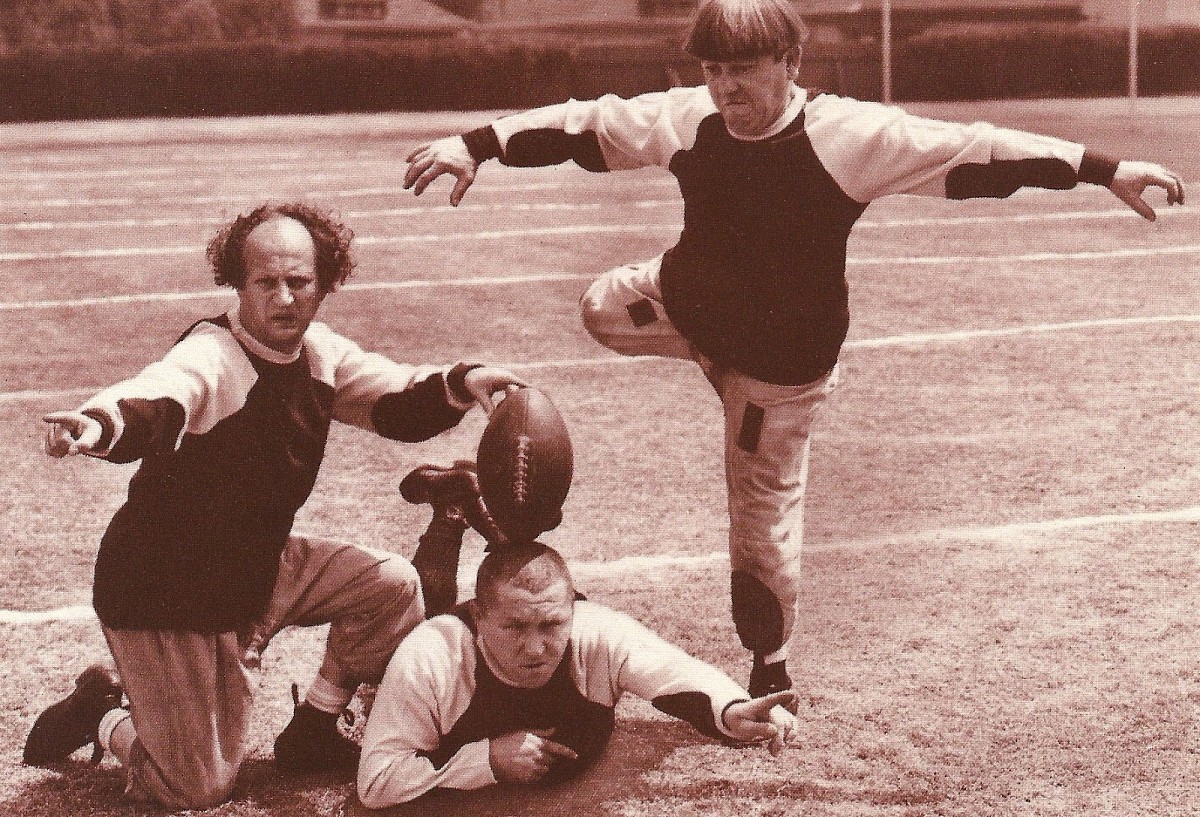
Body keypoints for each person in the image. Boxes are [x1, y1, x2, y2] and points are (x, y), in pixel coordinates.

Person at [400, 0, 1186, 702]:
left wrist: (1104, 169)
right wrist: (478, 143)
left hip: (776, 370)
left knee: (761, 528)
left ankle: (770, 663)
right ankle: (693, 344)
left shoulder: (850, 136)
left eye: (743, 69)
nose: (726, 88)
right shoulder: (691, 116)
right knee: (603, 305)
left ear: (789, 62)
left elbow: (977, 149)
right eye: (713, 70)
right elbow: (589, 124)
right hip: (688, 309)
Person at [22, 201, 528, 810]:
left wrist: (464, 380)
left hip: (255, 567)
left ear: (324, 283)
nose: (284, 299)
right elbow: (158, 397)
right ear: (237, 283)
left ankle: (315, 724)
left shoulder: (319, 354)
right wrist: (99, 425)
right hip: (163, 586)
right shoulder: (215, 355)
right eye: (266, 282)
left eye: (299, 282)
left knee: (391, 587)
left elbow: (396, 399)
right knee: (195, 787)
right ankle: (104, 712)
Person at [357, 541, 797, 808]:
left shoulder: (596, 631)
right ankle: (448, 522)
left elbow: (674, 673)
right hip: (419, 677)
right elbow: (376, 782)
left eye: (551, 624)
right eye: (514, 627)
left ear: (573, 611)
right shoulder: (431, 658)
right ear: (478, 616)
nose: (535, 648)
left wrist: (733, 710)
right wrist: (486, 761)